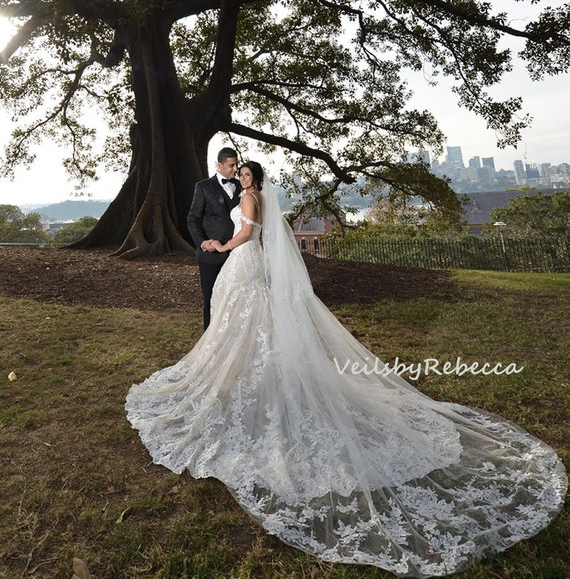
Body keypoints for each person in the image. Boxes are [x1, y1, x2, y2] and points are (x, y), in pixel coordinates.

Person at [126, 162, 567, 578]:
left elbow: (245, 235)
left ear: (253, 179)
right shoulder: (257, 197)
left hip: (242, 264)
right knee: (246, 325)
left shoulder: (249, 200)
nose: (241, 178)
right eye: (238, 173)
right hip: (251, 268)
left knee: (241, 322)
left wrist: (221, 245)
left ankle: (240, 372)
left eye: (245, 173)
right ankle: (244, 370)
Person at [187, 147, 240, 329]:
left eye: (236, 165)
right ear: (219, 165)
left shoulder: (242, 186)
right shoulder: (203, 187)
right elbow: (193, 219)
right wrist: (203, 243)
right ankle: (210, 341)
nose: (235, 169)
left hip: (237, 253)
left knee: (235, 298)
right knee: (210, 298)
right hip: (211, 255)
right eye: (231, 165)